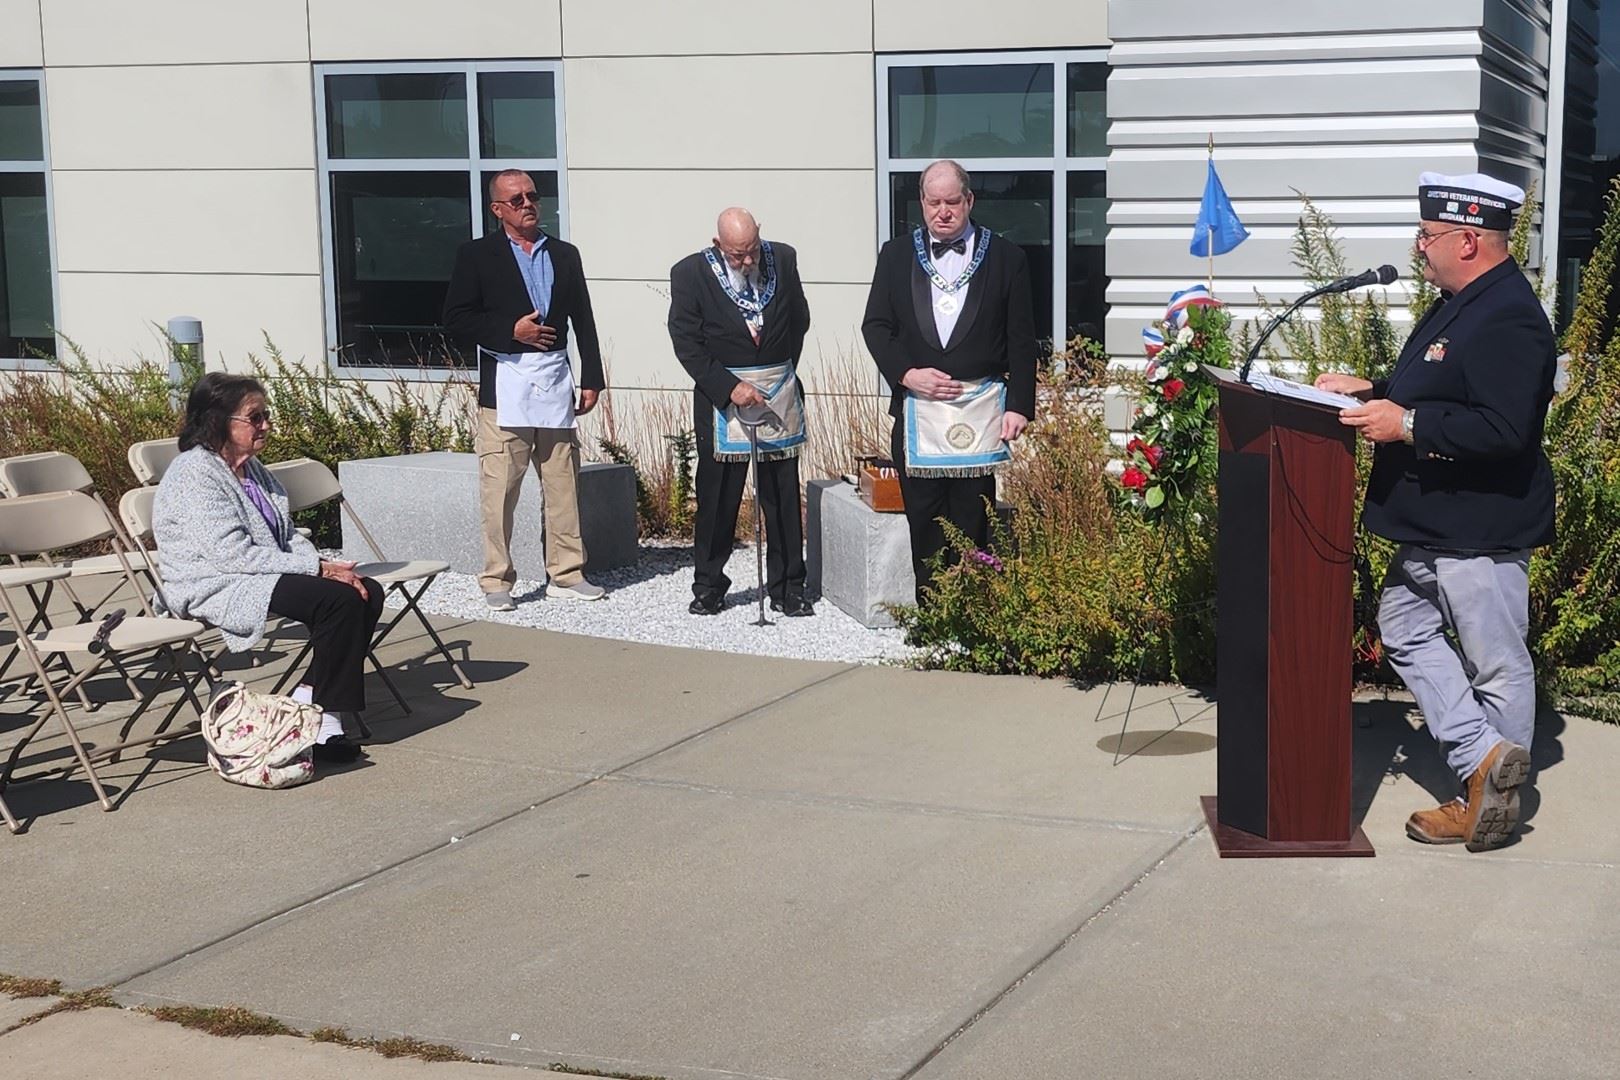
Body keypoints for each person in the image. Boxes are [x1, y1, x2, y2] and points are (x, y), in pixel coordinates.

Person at [1316, 171, 1555, 851]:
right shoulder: (1464, 300)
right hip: (1436, 522)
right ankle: (1482, 756)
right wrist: (1377, 388)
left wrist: (1409, 423)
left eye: (1427, 235)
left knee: (1496, 663)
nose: (1418, 247)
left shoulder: (1507, 314)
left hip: (1478, 525)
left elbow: (1505, 428)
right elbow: (1444, 381)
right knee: (1403, 626)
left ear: (1469, 240)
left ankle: (1488, 800)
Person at [153, 373, 382, 763]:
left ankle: (311, 697)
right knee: (337, 602)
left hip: (254, 573)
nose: (266, 426)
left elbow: (286, 535)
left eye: (265, 415)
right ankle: (324, 719)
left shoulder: (254, 470)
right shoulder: (195, 473)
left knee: (365, 590)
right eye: (255, 418)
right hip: (212, 582)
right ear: (218, 421)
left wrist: (324, 566)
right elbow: (231, 556)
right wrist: (318, 569)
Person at [861, 160, 1038, 598]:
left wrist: (1019, 404)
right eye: (933, 202)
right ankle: (932, 611)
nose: (943, 211)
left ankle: (970, 609)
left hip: (979, 412)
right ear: (922, 202)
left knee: (972, 515)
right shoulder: (896, 254)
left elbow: (1021, 338)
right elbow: (876, 326)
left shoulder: (1007, 258)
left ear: (969, 201)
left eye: (952, 202)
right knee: (923, 515)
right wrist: (906, 374)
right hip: (917, 410)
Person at [443, 169, 607, 611]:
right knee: (500, 489)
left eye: (532, 195)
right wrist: (509, 330)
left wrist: (592, 375)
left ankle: (567, 572)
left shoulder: (565, 254)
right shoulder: (476, 256)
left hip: (554, 381)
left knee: (563, 484)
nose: (528, 203)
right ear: (498, 210)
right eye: (516, 199)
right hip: (505, 386)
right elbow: (456, 318)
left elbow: (583, 319)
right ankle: (496, 579)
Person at [668, 208, 813, 616]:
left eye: (751, 250)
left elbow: (798, 321)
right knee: (718, 497)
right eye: (737, 255)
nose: (747, 261)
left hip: (776, 391)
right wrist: (730, 386)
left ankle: (788, 586)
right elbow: (686, 341)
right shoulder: (689, 274)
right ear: (718, 245)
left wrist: (777, 373)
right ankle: (710, 584)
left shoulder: (782, 258)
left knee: (782, 494)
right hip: (723, 398)